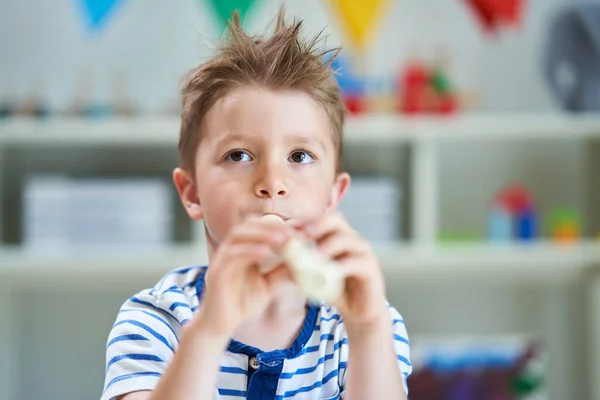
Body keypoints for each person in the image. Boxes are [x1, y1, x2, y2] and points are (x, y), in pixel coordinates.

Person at [101, 8, 411, 400]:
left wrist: (367, 329)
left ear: (334, 196)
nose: (272, 184)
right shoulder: (155, 321)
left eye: (299, 156)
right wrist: (210, 329)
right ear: (192, 193)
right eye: (238, 155)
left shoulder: (367, 326)